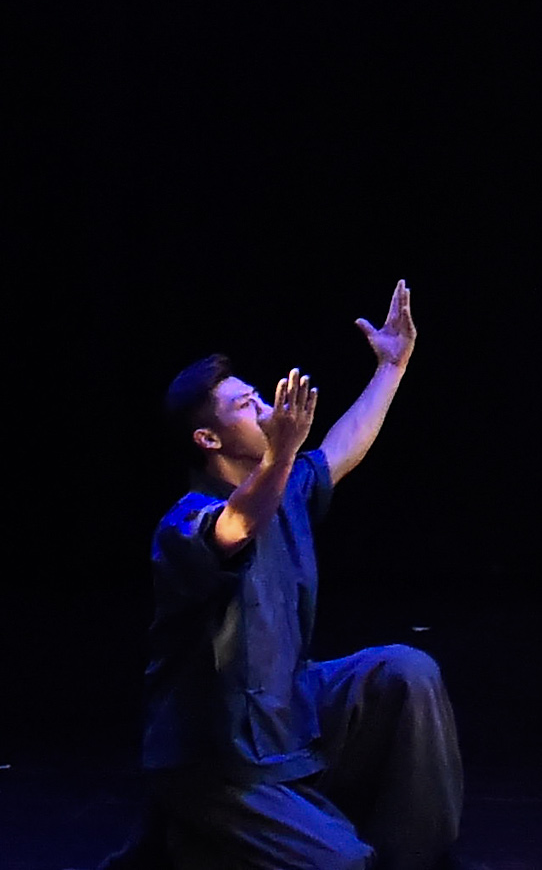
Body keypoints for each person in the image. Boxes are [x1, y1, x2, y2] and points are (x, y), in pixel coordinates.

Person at [134, 282, 462, 870]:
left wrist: (392, 366)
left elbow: (343, 447)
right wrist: (281, 453)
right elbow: (237, 525)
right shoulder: (185, 524)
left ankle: (417, 859)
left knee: (405, 671)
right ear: (208, 440)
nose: (265, 409)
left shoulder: (284, 488)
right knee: (340, 865)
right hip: (218, 759)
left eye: (258, 396)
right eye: (245, 406)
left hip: (288, 713)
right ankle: (193, 838)